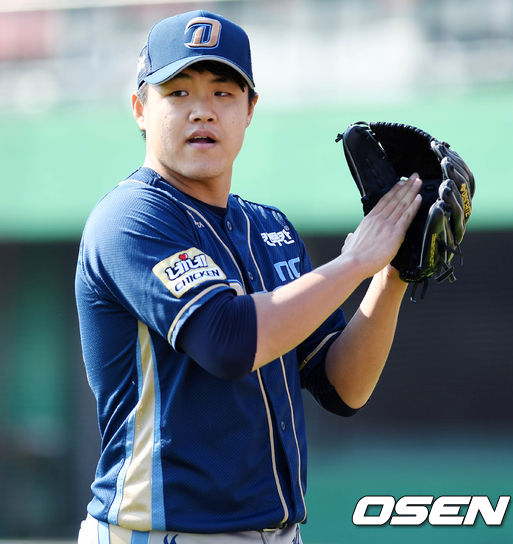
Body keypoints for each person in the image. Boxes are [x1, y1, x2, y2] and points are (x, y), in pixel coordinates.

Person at [75, 9, 422, 544]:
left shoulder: (269, 227)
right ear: (141, 108)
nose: (202, 111)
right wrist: (356, 262)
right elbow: (228, 342)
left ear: (249, 109)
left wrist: (393, 273)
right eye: (178, 93)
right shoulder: (130, 219)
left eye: (223, 92)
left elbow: (342, 386)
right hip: (161, 533)